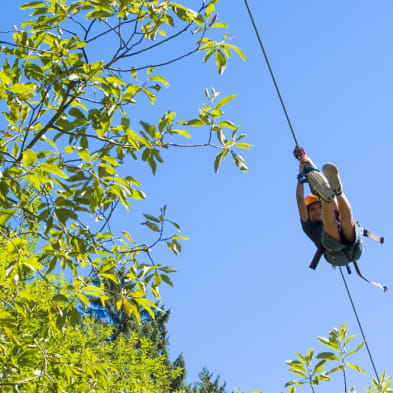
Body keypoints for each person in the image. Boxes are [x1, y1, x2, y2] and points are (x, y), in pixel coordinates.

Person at [296, 154, 363, 267]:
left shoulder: (331, 212)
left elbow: (323, 183)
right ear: (308, 213)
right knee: (330, 227)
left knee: (345, 221)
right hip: (336, 255)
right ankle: (325, 199)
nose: (317, 210)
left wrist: (311, 165)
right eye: (312, 209)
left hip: (354, 244)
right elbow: (299, 199)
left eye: (319, 207)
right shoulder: (309, 225)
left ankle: (338, 191)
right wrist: (300, 180)